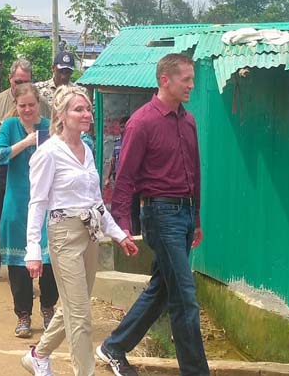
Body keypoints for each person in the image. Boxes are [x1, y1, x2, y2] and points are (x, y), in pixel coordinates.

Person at [96, 54, 209, 376]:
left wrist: (197, 218)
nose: (191, 85)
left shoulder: (188, 120)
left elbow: (195, 172)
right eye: (186, 79)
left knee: (162, 289)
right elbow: (125, 177)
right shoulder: (142, 122)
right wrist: (122, 226)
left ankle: (114, 346)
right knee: (185, 297)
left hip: (185, 215)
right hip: (160, 214)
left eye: (191, 79)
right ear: (165, 80)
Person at [21, 85, 138, 376]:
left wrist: (119, 234)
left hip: (90, 234)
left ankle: (38, 354)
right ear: (61, 115)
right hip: (63, 235)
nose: (86, 114)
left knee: (76, 305)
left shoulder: (86, 149)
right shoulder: (48, 153)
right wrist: (33, 250)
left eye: (87, 109)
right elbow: (37, 204)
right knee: (82, 317)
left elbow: (96, 202)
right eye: (78, 109)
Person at [0, 59, 51, 277]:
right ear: (10, 80)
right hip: (3, 167)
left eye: (26, 81)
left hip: (35, 170)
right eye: (17, 81)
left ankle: (31, 259)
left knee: (32, 216)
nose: (27, 108)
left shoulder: (43, 105)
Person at [0, 83, 58, 337]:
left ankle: (49, 307)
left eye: (31, 105)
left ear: (38, 103)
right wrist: (26, 142)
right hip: (17, 202)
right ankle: (23, 315)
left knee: (50, 258)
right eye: (22, 106)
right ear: (15, 106)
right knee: (18, 263)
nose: (28, 109)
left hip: (47, 202)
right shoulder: (9, 127)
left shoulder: (50, 126)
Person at [104, 116, 140, 235]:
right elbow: (113, 160)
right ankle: (120, 232)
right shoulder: (117, 143)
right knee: (119, 206)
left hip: (132, 181)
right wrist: (108, 178)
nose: (122, 128)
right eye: (121, 126)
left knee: (133, 209)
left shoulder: (134, 142)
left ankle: (135, 233)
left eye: (124, 126)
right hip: (118, 179)